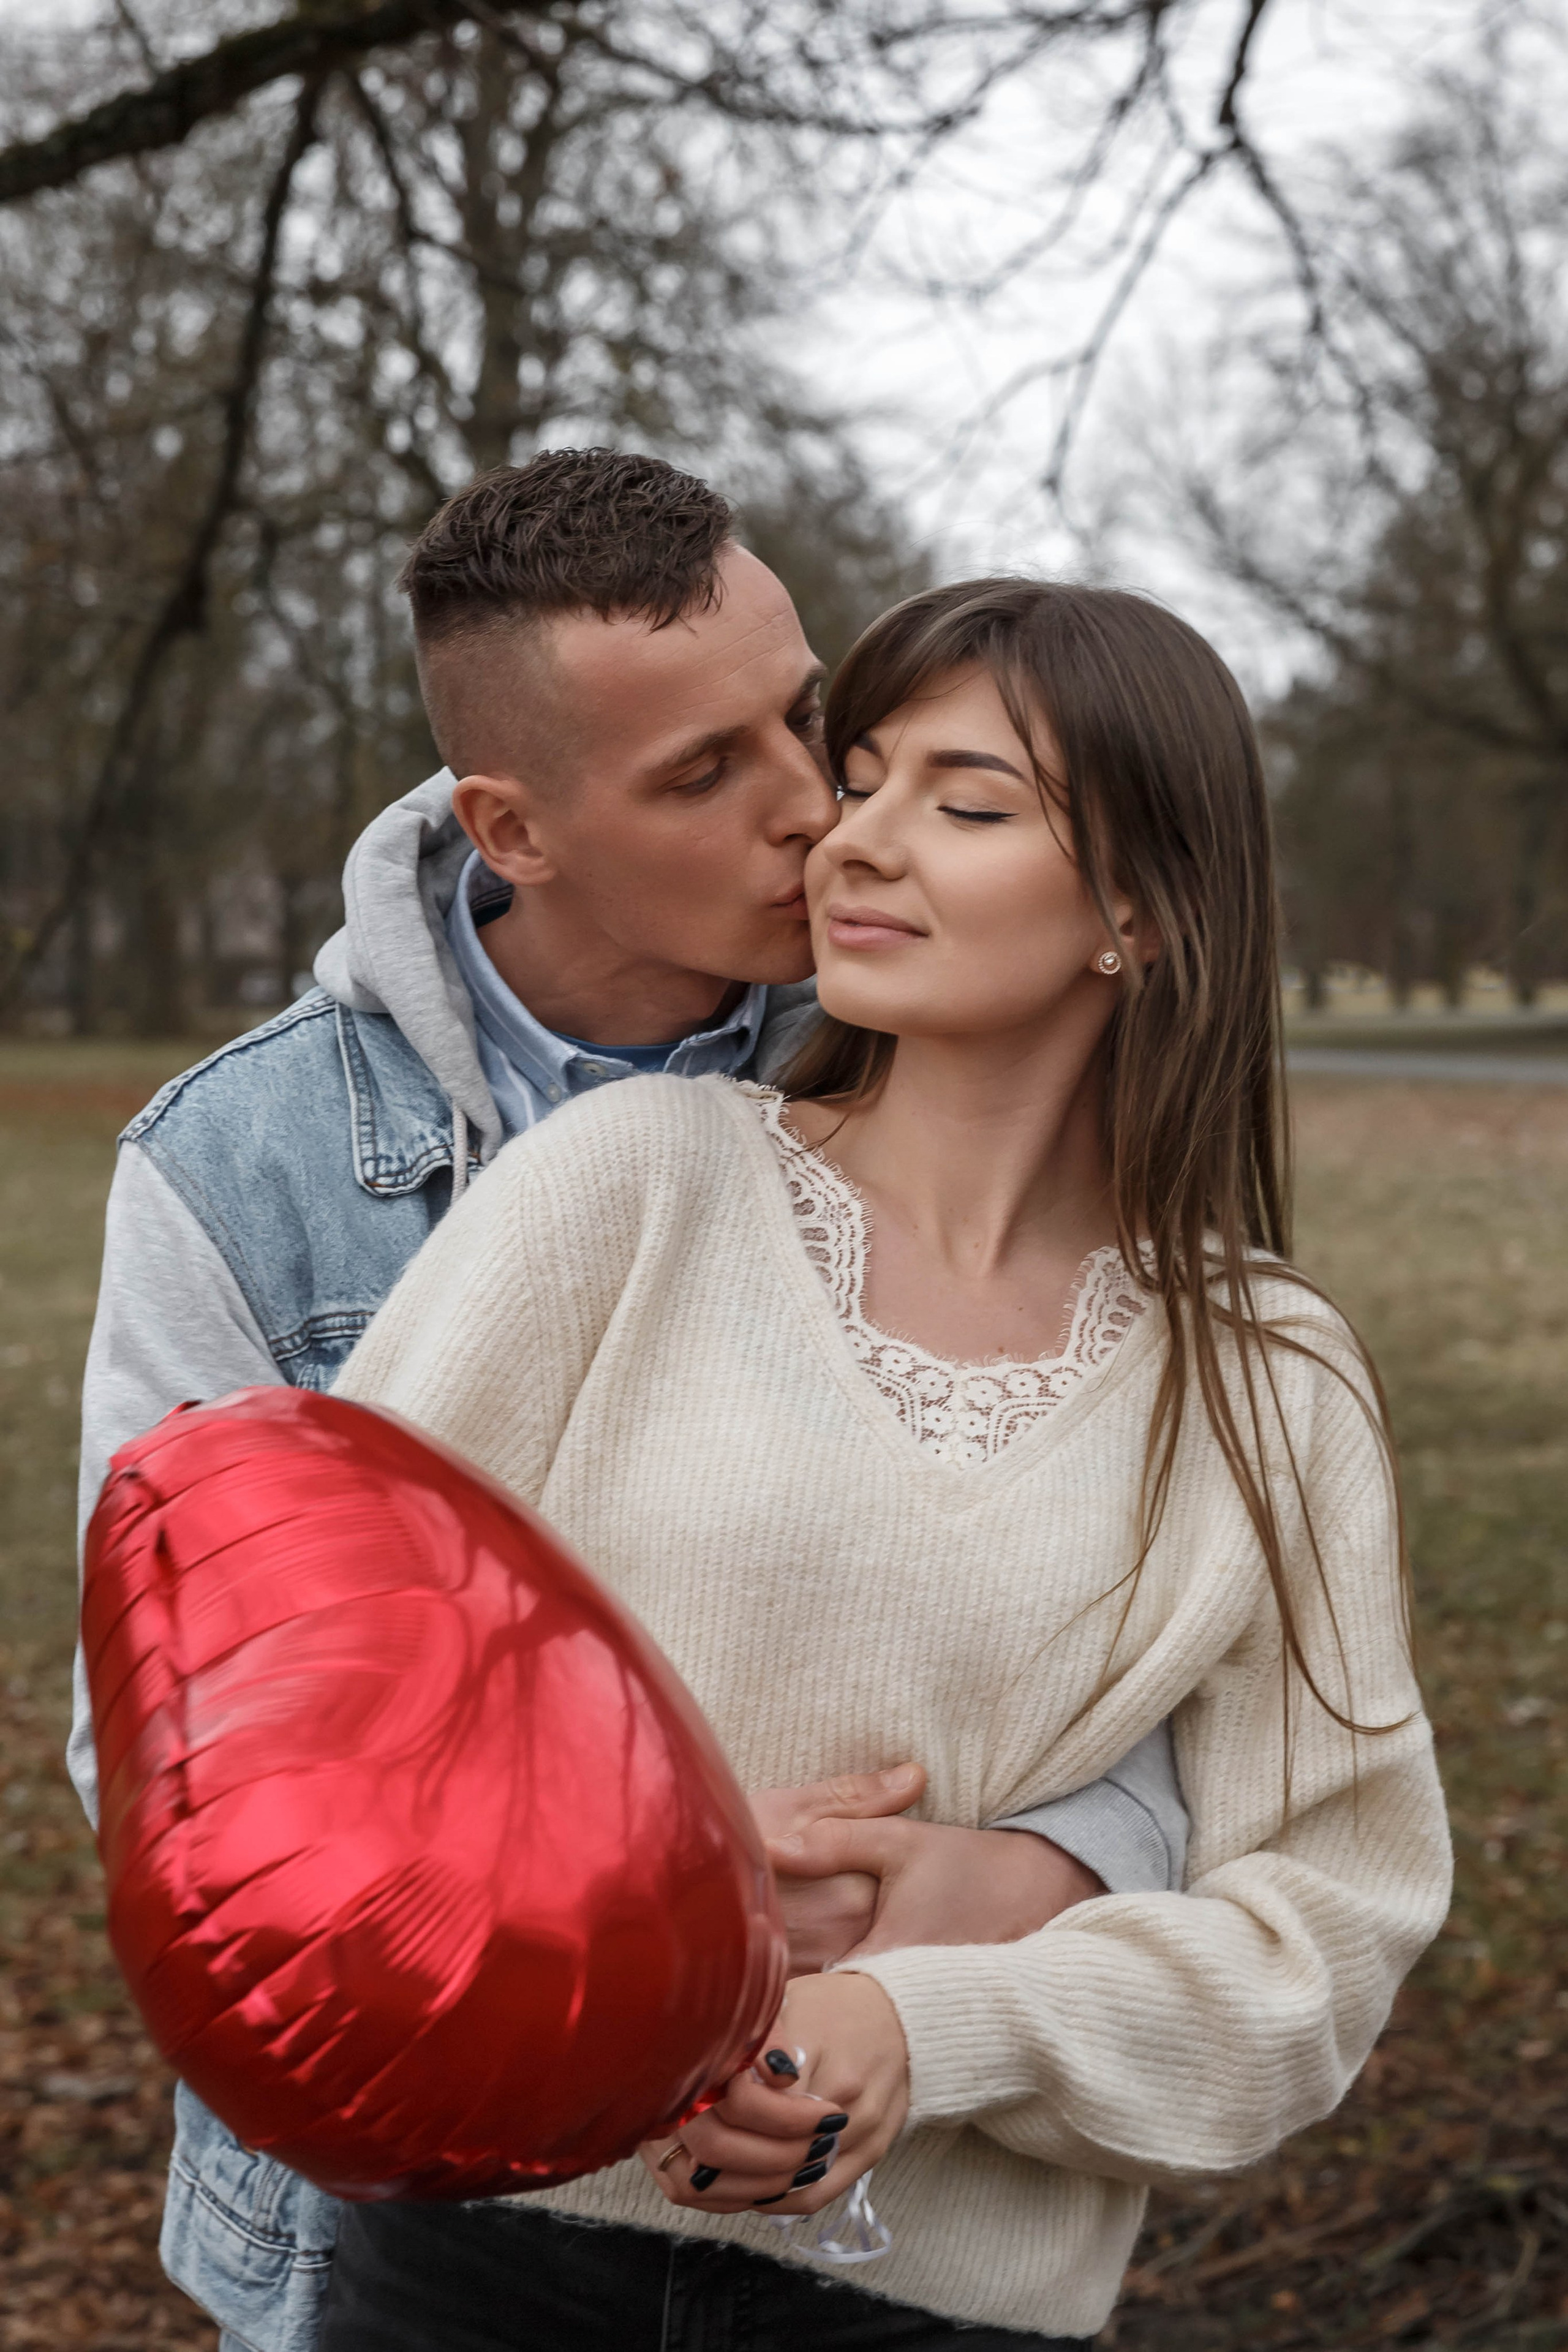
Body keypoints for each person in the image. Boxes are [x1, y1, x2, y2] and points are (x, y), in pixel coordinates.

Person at [69, 454, 1186, 2352]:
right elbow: (174, 1761)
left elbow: (1136, 1632)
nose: (815, 810)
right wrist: (623, 1879)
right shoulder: (235, 1170)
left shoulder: (948, 1063)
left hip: (868, 2225)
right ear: (514, 824)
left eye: (808, 718)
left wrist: (1037, 1870)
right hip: (407, 2230)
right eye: (701, 774)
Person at [320, 575, 1452, 2351]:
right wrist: (637, 1874)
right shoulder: (625, 1189)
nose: (856, 842)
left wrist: (938, 2029)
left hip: (944, 2311)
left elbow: (1324, 1938)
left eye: (973, 804)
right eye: (865, 776)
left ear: (1141, 916)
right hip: (482, 2263)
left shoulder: (1271, 1384)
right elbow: (312, 1682)